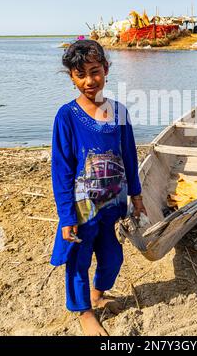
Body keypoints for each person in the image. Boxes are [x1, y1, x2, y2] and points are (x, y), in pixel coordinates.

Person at [50, 39, 147, 336]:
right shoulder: (66, 116)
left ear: (106, 69)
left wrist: (136, 194)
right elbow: (62, 170)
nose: (89, 81)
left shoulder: (118, 112)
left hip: (114, 205)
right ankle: (84, 311)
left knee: (113, 257)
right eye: (81, 75)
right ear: (72, 78)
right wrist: (67, 217)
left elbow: (129, 154)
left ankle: (97, 293)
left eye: (95, 71)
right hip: (82, 208)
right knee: (79, 260)